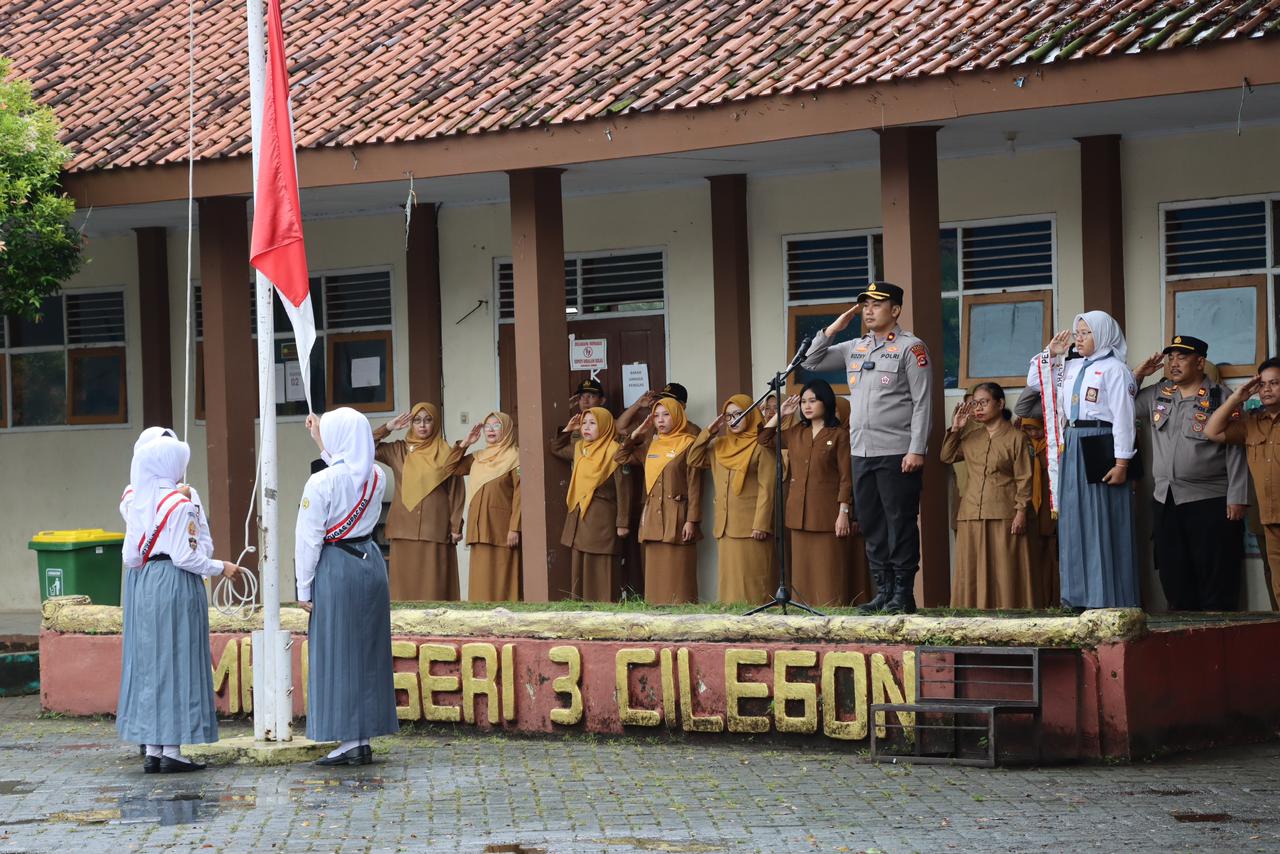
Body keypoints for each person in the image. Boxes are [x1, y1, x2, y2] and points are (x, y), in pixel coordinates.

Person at [802, 281, 933, 614]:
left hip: (897, 451)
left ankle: (903, 594)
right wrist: (833, 328)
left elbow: (922, 402)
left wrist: (917, 449)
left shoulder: (911, 348)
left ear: (895, 310)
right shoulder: (855, 347)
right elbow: (811, 362)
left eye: (877, 304)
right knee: (872, 523)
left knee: (899, 522)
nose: (868, 311)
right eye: (865, 305)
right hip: (861, 451)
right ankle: (883, 591)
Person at [118, 434, 243, 773]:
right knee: (177, 661)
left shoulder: (137, 500)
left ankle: (153, 749)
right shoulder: (181, 503)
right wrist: (221, 567)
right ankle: (172, 750)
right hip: (175, 583)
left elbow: (130, 556)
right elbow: (187, 555)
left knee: (150, 665)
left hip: (145, 584)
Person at [298, 409, 399, 766]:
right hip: (370, 563)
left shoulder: (320, 483)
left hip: (336, 566)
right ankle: (361, 738)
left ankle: (347, 740)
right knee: (368, 653)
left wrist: (303, 588)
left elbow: (308, 540)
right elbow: (349, 465)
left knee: (337, 652)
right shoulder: (377, 476)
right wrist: (320, 440)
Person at [1026, 311, 1139, 610]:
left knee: (1100, 519)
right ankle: (1076, 596)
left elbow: (1124, 419)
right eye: (1077, 333)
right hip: (1072, 442)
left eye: (1086, 333)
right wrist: (1052, 352)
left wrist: (1122, 463)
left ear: (1102, 335)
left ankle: (1105, 598)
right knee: (1075, 519)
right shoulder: (1071, 366)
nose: (1079, 338)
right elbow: (1035, 381)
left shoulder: (1116, 370)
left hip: (1101, 442)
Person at [1132, 336, 1248, 611]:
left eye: (1182, 357)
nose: (1174, 363)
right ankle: (1182, 634)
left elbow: (1236, 449)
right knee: (1173, 575)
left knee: (1215, 578)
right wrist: (1138, 375)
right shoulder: (1158, 394)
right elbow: (1120, 405)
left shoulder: (1222, 397)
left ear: (1200, 362)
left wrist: (1238, 495)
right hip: (1166, 499)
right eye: (1170, 358)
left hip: (1210, 500)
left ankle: (1217, 635)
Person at [758, 379, 853, 607]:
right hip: (798, 512)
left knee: (828, 566)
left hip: (827, 513)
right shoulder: (796, 433)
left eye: (813, 401)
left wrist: (843, 512)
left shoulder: (839, 435)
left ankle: (832, 606)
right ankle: (803, 607)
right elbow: (764, 439)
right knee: (802, 567)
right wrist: (781, 414)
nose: (807, 406)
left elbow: (846, 478)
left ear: (825, 402)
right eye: (803, 402)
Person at [941, 384, 1037, 609]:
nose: (978, 408)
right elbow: (946, 456)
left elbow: (1024, 478)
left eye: (983, 402)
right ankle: (971, 616)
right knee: (971, 570)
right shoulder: (972, 438)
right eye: (974, 403)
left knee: (1005, 571)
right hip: (971, 512)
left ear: (1000, 403)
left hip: (1004, 513)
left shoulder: (1016, 438)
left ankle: (1010, 615)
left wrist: (1021, 512)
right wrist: (956, 428)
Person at [688, 394, 778, 604]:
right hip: (726, 525)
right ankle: (730, 615)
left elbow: (768, 488)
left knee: (753, 579)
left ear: (751, 414)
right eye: (728, 416)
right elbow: (693, 459)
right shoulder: (719, 445)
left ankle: (757, 617)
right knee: (730, 582)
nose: (733, 420)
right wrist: (709, 432)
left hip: (751, 527)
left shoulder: (761, 445)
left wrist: (761, 524)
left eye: (739, 414)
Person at [1206, 357, 1280, 610]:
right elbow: (1212, 431)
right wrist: (1236, 398)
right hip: (1270, 519)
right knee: (1278, 587)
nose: (1267, 389)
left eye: (1274, 383)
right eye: (1263, 384)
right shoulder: (1252, 423)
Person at [616, 396, 703, 603]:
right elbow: (620, 457)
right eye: (656, 416)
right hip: (653, 517)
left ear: (678, 416)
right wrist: (636, 434)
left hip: (678, 516)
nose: (660, 420)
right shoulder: (650, 445)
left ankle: (682, 609)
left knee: (678, 571)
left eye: (666, 415)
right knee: (656, 572)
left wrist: (692, 520)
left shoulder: (689, 444)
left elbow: (695, 486)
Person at [373, 404, 464, 601]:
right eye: (417, 420)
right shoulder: (398, 450)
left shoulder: (447, 452)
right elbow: (363, 447)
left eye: (428, 420)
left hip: (435, 527)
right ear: (411, 424)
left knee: (434, 587)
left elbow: (456, 489)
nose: (422, 425)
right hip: (403, 527)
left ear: (435, 423)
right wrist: (388, 427)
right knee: (404, 587)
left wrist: (456, 525)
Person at [551, 407, 631, 601]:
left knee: (602, 562)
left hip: (602, 516)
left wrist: (622, 522)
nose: (586, 427)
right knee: (581, 560)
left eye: (592, 423)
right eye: (584, 423)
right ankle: (582, 605)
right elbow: (556, 449)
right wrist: (567, 430)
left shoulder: (614, 451)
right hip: (581, 514)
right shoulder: (580, 448)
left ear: (604, 426)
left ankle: (604, 604)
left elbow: (624, 489)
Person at [452, 411, 522, 601]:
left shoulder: (515, 457)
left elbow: (520, 495)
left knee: (503, 577)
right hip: (478, 527)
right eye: (487, 426)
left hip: (502, 529)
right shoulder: (478, 457)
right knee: (481, 580)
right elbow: (450, 468)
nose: (491, 430)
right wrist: (465, 443)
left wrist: (514, 528)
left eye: (497, 425)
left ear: (506, 429)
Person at [1018, 416, 1060, 607]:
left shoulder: (1054, 446)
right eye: (1028, 430)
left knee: (1054, 555)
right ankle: (1040, 601)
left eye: (1037, 429)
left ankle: (1057, 600)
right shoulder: (1024, 446)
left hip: (1051, 510)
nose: (1033, 433)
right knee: (1037, 556)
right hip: (1031, 511)